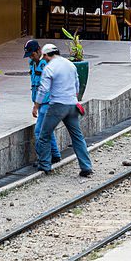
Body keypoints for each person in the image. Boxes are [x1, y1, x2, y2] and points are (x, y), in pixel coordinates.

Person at [34, 44, 93, 176]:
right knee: (77, 137)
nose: (44, 58)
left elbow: (44, 89)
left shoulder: (50, 68)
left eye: (44, 55)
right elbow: (77, 83)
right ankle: (86, 166)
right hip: (72, 104)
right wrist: (74, 97)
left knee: (44, 135)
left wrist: (36, 105)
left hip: (57, 105)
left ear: (47, 54)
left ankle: (45, 165)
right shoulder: (70, 65)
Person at [24, 39, 60, 164]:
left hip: (47, 101)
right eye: (29, 55)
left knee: (39, 131)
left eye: (32, 54)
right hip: (39, 101)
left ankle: (44, 159)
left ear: (39, 51)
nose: (31, 57)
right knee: (47, 129)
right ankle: (55, 155)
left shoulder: (47, 64)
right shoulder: (32, 63)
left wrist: (36, 105)